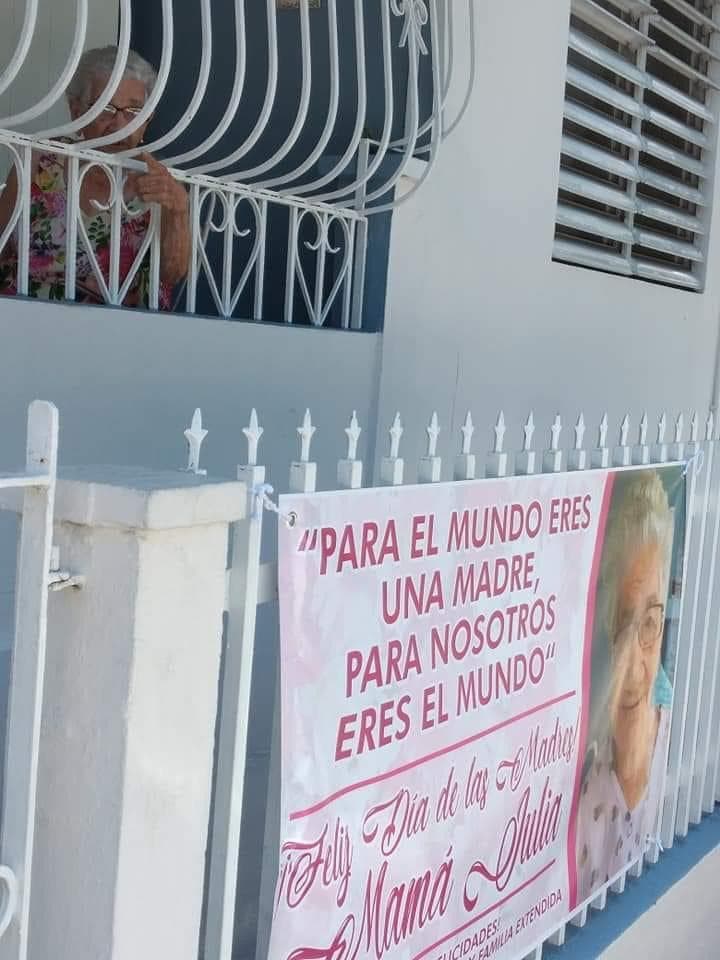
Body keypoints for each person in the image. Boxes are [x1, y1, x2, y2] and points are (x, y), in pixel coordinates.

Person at [0, 46, 190, 308]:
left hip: (117, 329)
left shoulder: (160, 182)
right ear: (76, 111)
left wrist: (179, 211)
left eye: (133, 111)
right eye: (106, 108)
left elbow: (172, 273)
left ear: (147, 119)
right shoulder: (39, 161)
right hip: (29, 317)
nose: (119, 125)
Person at [575, 471, 674, 902]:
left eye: (650, 622)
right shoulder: (584, 792)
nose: (634, 666)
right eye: (620, 623)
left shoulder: (680, 745)